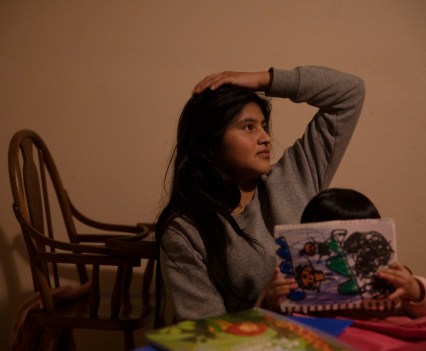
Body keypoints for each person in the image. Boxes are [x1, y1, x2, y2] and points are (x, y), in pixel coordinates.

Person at [155, 66, 365, 324]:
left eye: (263, 126)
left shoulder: (294, 176)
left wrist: (263, 80)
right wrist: (265, 308)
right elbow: (206, 335)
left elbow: (349, 92)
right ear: (209, 147)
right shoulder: (185, 232)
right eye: (248, 127)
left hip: (329, 333)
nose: (266, 138)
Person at [265, 188, 426, 350]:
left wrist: (416, 290)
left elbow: (415, 309)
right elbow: (266, 321)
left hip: (385, 337)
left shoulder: (387, 285)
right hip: (326, 334)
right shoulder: (301, 293)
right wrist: (271, 300)